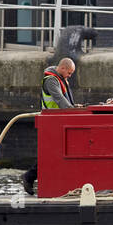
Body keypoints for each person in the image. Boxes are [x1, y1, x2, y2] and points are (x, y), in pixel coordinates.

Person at [25, 57, 77, 195]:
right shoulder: (51, 80)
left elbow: (66, 100)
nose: (70, 76)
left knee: (54, 153)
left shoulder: (61, 79)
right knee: (50, 153)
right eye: (69, 73)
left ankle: (33, 177)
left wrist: (74, 108)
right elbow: (59, 99)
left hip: (58, 120)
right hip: (52, 121)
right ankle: (29, 177)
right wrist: (73, 112)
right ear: (63, 68)